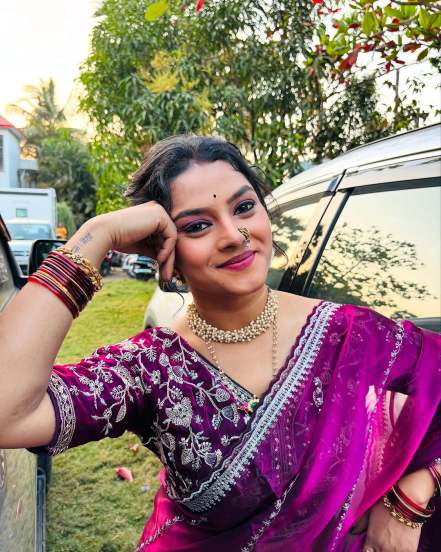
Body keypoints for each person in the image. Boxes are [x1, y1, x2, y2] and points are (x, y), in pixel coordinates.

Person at [0, 135, 440, 552]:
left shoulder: (351, 334)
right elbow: (8, 413)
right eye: (197, 226)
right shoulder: (151, 369)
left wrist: (415, 493)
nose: (233, 235)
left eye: (245, 207)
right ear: (162, 246)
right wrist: (98, 235)